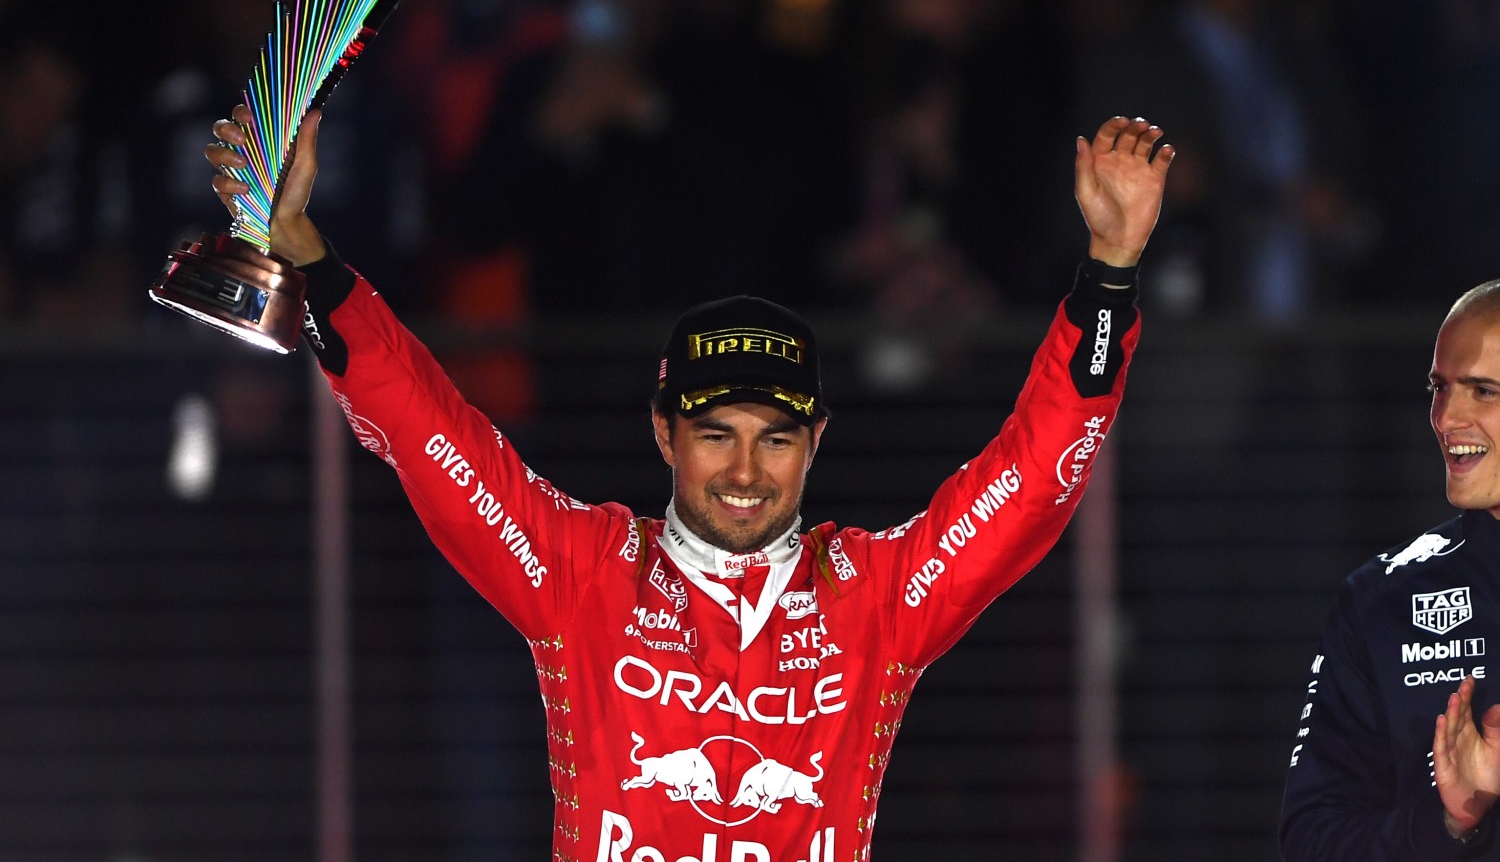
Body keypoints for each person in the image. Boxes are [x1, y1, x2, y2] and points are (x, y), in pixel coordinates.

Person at [205, 108, 1172, 860]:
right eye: (716, 435)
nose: (746, 471)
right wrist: (308, 254)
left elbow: (1034, 477)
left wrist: (1113, 271)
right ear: (663, 434)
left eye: (776, 439)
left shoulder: (875, 596)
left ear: (817, 442)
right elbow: (427, 435)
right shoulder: (582, 572)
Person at [1280, 281, 1500, 859]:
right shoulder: (1382, 601)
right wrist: (1450, 822)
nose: (1447, 417)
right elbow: (1311, 840)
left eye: (1483, 391)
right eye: (1439, 388)